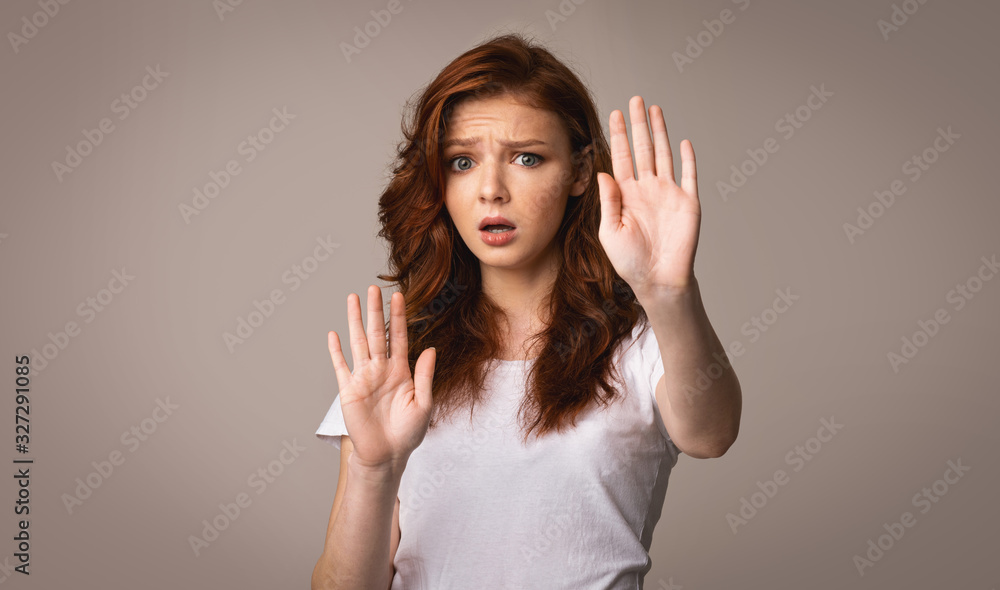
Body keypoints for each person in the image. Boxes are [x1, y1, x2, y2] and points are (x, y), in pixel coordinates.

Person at [311, 32, 742, 590]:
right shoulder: (401, 361)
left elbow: (712, 434)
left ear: (580, 173)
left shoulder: (644, 336)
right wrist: (374, 469)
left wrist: (668, 292)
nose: (491, 189)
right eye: (462, 161)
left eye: (527, 158)